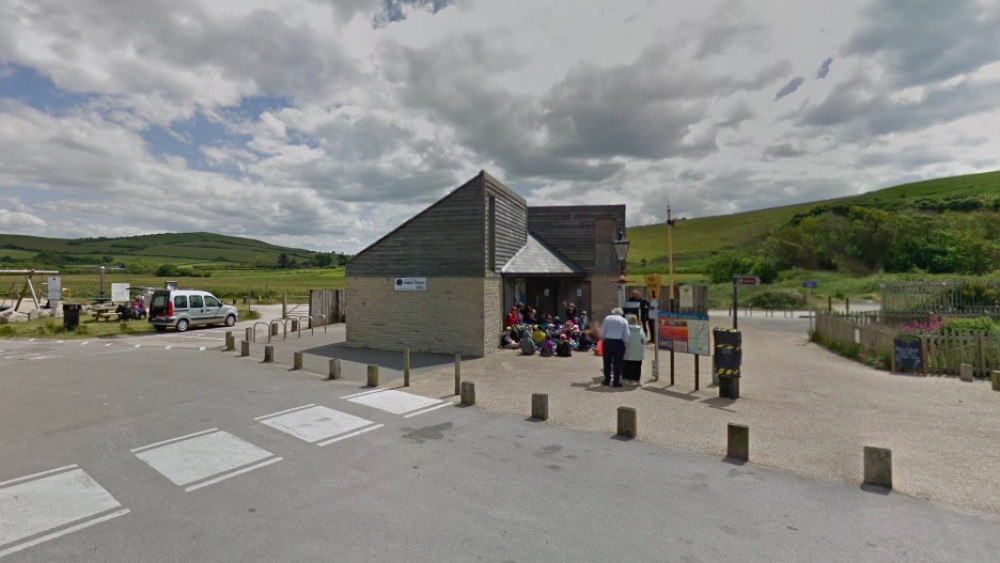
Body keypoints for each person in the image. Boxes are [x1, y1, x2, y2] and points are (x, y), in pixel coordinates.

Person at [600, 307, 629, 387]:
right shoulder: (624, 320)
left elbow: (603, 330)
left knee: (607, 362)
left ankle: (607, 380)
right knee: (618, 363)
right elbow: (626, 334)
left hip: (608, 341)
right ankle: (616, 381)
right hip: (619, 342)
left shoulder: (607, 318)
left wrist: (602, 339)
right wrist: (625, 342)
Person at [623, 314, 646, 384]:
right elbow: (643, 340)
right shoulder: (640, 329)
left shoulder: (626, 329)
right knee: (638, 366)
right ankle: (637, 380)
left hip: (628, 350)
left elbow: (624, 339)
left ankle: (627, 379)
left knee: (628, 365)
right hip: (638, 351)